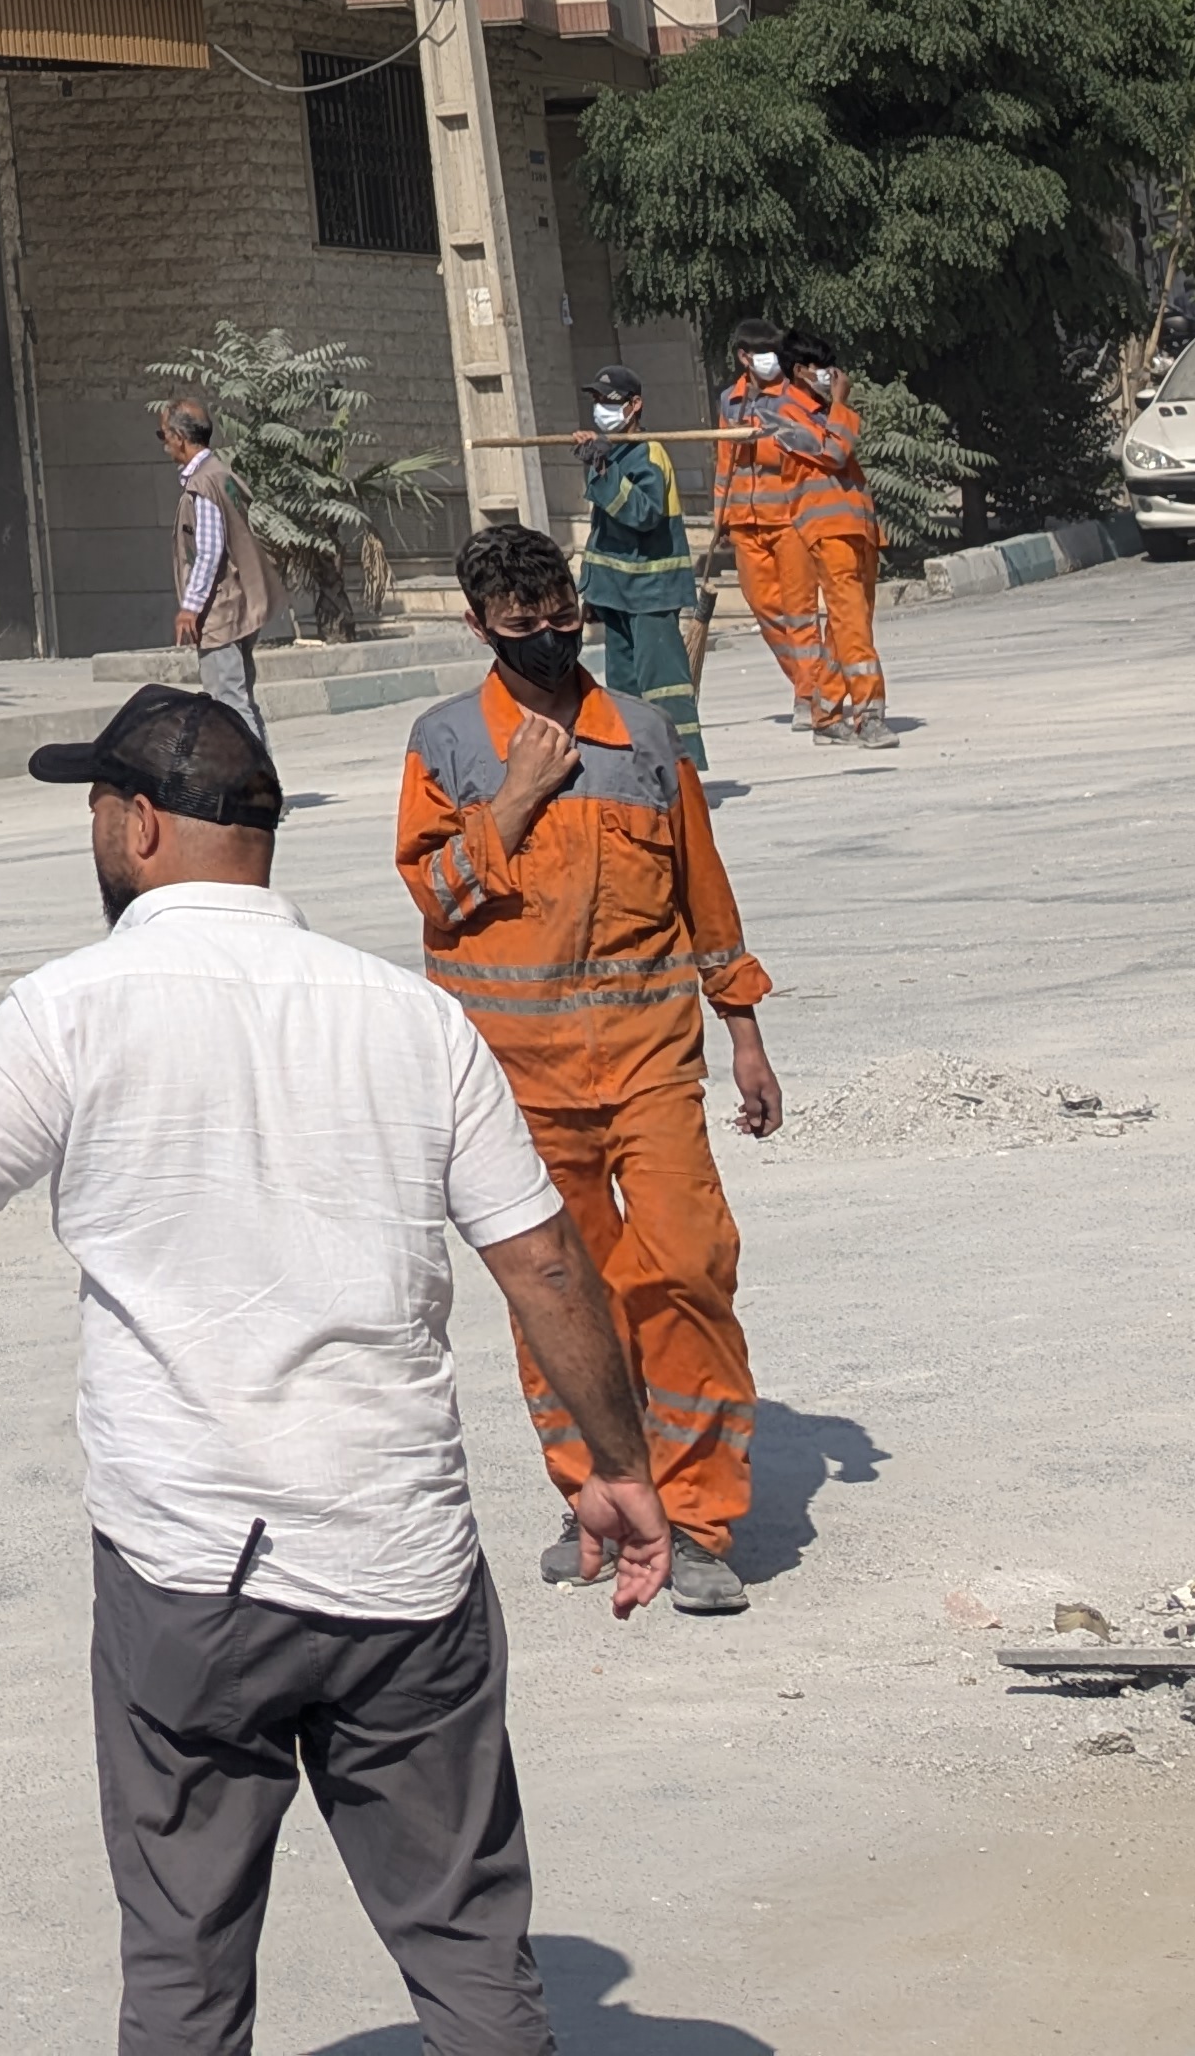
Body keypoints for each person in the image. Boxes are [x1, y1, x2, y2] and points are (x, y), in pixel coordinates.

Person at [0, 686, 671, 2056]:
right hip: (403, 1560)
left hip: (191, 1573)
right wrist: (618, 1467)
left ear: (138, 823)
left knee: (185, 1962)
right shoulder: (413, 1021)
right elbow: (548, 1266)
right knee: (466, 1941)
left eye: (92, 808)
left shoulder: (72, 1010)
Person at [389, 518, 784, 1601]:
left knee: (690, 1269)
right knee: (559, 1298)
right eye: (524, 626)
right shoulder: (448, 744)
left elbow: (705, 893)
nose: (553, 638)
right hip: (515, 1087)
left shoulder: (645, 739)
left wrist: (743, 1030)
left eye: (561, 616)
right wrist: (513, 796)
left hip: (652, 1068)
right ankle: (598, 1496)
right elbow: (435, 895)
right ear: (479, 628)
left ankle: (699, 1519)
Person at [716, 331, 895, 740]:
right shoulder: (785, 416)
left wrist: (835, 406)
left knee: (845, 628)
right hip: (826, 534)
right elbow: (833, 452)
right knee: (852, 627)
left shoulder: (820, 408)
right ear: (799, 371)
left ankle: (827, 712)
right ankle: (869, 714)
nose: (831, 376)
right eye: (822, 368)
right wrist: (841, 403)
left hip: (858, 530)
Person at [562, 384, 709, 777]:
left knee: (664, 688)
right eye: (596, 403)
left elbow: (642, 514)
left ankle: (681, 771)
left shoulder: (648, 453)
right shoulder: (613, 454)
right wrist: (594, 590)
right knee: (624, 690)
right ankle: (637, 771)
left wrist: (604, 469)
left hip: (651, 593)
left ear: (635, 405)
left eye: (610, 403)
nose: (601, 411)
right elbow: (604, 531)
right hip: (618, 595)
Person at [161, 387, 266, 717]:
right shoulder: (222, 475)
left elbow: (209, 551)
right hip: (239, 603)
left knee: (228, 705)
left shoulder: (204, 484)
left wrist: (190, 608)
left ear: (179, 436)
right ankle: (257, 767)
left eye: (163, 434)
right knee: (240, 699)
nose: (163, 443)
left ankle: (255, 769)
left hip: (220, 610)